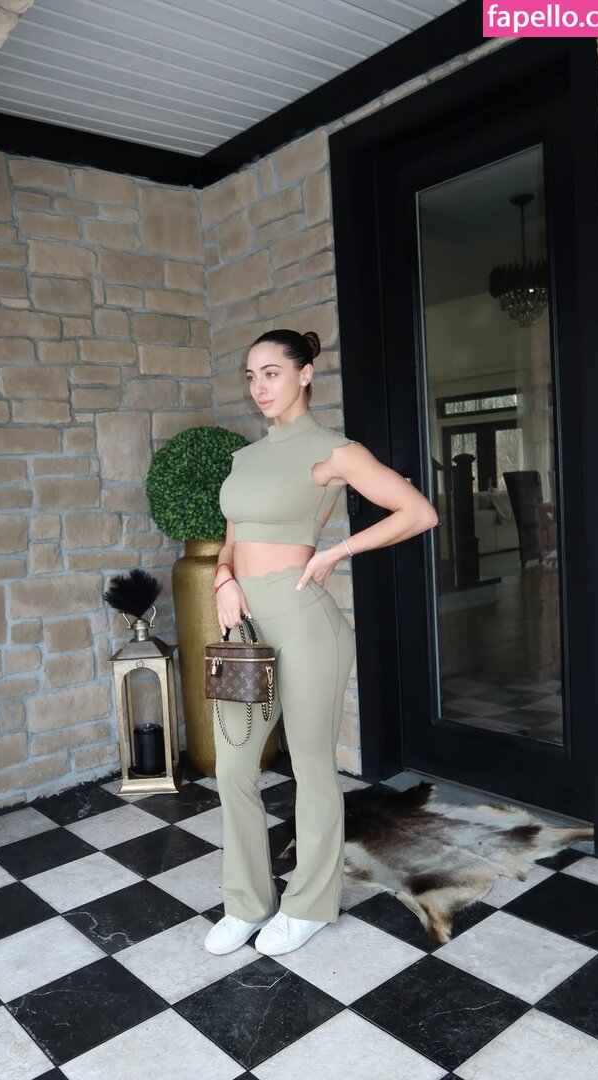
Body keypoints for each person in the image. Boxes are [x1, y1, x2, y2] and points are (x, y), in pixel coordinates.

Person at [204, 328, 438, 958]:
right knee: (232, 767)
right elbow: (231, 540)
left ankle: (308, 904)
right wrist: (223, 578)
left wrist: (338, 551)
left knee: (310, 766)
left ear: (305, 373)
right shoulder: (244, 459)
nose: (259, 387)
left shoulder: (335, 451)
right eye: (251, 376)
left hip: (306, 621)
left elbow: (418, 513)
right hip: (243, 627)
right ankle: (246, 903)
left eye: (272, 373)